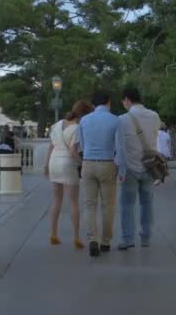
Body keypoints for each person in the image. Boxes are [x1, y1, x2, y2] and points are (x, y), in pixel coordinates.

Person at [44, 100, 94, 249]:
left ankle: (53, 233)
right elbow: (73, 151)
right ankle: (76, 237)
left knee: (57, 201)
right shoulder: (77, 128)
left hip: (54, 162)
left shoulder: (57, 124)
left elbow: (50, 147)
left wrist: (45, 165)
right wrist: (82, 163)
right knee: (73, 202)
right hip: (67, 163)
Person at [116, 87, 161, 250]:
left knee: (127, 204)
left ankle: (128, 239)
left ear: (127, 99)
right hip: (149, 166)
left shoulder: (122, 119)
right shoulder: (155, 116)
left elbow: (119, 147)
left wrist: (119, 169)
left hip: (129, 168)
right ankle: (146, 238)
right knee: (147, 203)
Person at [79, 89, 122, 257]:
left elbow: (81, 145)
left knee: (89, 205)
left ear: (93, 104)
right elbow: (120, 147)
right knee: (108, 205)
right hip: (107, 163)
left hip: (88, 163)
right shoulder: (115, 120)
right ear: (108, 102)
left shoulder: (84, 120)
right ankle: (105, 241)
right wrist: (120, 168)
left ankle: (92, 239)